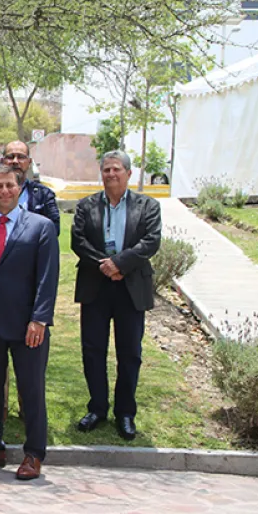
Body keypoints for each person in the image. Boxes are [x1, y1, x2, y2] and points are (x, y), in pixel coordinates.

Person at [0, 166, 59, 481]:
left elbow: (48, 278)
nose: (3, 191)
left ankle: (34, 454)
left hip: (27, 326)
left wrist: (40, 318)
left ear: (21, 189)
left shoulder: (41, 227)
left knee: (31, 390)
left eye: (9, 185)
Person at [71, 150, 162, 441]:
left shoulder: (147, 206)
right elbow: (78, 240)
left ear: (128, 174)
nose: (111, 174)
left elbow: (151, 241)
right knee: (93, 351)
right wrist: (105, 266)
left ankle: (125, 413)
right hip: (96, 286)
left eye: (116, 169)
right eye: (106, 169)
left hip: (130, 287)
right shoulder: (87, 206)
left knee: (130, 354)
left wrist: (120, 264)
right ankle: (97, 408)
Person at [0, 140, 61, 235]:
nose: (15, 161)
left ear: (29, 162)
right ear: (2, 161)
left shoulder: (44, 193)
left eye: (21, 157)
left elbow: (53, 229)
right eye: (10, 157)